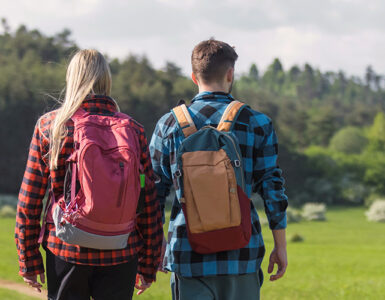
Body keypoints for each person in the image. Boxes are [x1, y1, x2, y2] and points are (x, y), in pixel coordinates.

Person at [15, 49, 163, 300]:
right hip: (121, 250)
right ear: (107, 80)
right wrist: (148, 264)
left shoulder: (51, 127)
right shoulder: (133, 131)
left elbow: (30, 199)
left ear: (72, 79)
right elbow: (148, 202)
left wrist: (28, 259)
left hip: (65, 248)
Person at [150, 39, 288, 300]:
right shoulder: (257, 123)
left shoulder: (168, 124)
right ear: (230, 73)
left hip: (187, 256)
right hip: (242, 255)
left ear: (194, 76)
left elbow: (152, 192)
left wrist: (157, 245)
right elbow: (273, 188)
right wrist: (280, 246)